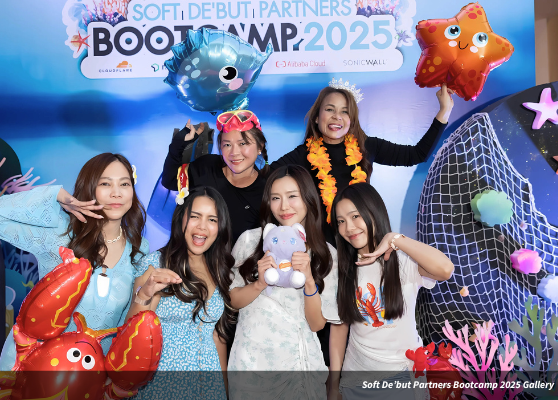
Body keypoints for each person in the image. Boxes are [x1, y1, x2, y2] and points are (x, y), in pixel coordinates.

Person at [0, 153, 149, 370]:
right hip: (34, 369)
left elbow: (124, 327)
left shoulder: (139, 251)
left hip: (89, 377)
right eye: (105, 184)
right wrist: (54, 194)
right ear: (89, 187)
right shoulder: (60, 232)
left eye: (124, 184)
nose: (116, 193)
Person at [271, 81, 454, 245]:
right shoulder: (303, 154)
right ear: (317, 117)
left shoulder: (367, 146)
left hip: (363, 240)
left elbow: (417, 155)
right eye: (330, 109)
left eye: (345, 111)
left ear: (351, 121)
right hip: (323, 247)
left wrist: (444, 111)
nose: (337, 116)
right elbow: (266, 176)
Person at [328, 183, 454, 400]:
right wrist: (333, 384)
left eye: (355, 216)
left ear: (374, 212)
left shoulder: (404, 261)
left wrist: (395, 239)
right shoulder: (341, 267)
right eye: (341, 221)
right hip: (355, 378)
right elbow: (339, 328)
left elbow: (445, 270)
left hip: (402, 377)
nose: (349, 227)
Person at [227, 165, 339, 400]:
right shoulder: (250, 241)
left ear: (308, 198)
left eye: (292, 196)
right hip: (251, 367)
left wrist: (309, 281)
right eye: (275, 198)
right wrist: (259, 284)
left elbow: (317, 324)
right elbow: (232, 301)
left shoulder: (325, 253)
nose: (284, 206)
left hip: (298, 369)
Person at [127, 186, 235, 400]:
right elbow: (131, 333)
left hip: (209, 388)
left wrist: (224, 390)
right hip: (163, 386)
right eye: (195, 216)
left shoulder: (220, 270)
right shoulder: (155, 265)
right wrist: (145, 293)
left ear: (220, 227)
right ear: (181, 218)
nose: (202, 226)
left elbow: (217, 337)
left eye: (212, 219)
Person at [161, 110, 269, 244]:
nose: (234, 152)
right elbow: (170, 180)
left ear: (260, 146)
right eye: (227, 145)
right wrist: (178, 144)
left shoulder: (266, 192)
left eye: (243, 143)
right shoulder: (207, 167)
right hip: (188, 255)